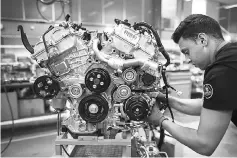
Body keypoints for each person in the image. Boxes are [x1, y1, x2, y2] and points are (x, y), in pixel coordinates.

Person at [148, 14, 237, 156]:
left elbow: (204, 144)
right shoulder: (231, 55)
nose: (187, 59)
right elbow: (211, 106)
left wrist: (160, 120)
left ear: (202, 40)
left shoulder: (222, 70)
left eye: (186, 52)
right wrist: (169, 100)